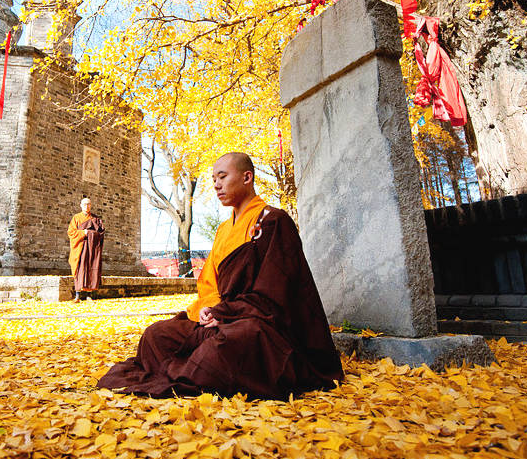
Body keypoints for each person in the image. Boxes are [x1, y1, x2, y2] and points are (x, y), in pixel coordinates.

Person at [97, 152, 343, 399]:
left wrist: (226, 314)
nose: (216, 184)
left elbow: (276, 291)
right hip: (220, 315)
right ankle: (191, 368)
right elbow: (209, 281)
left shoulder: (273, 221)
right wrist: (211, 308)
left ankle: (194, 368)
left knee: (229, 344)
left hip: (258, 321)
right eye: (214, 178)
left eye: (223, 177)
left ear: (247, 177)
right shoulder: (223, 230)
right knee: (156, 335)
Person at [67, 197, 105, 302]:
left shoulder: (96, 219)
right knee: (79, 269)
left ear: (91, 205)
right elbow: (71, 232)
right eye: (84, 204)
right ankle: (77, 295)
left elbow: (101, 233)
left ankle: (89, 295)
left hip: (92, 249)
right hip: (80, 247)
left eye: (88, 204)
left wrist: (91, 234)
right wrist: (83, 233)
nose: (86, 206)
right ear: (80, 205)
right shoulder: (76, 218)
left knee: (91, 269)